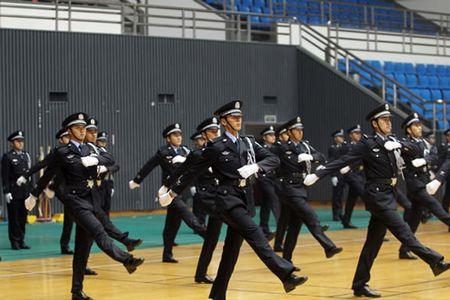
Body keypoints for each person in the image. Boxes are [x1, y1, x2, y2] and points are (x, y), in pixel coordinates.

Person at [159, 100, 308, 300]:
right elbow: (193, 171)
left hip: (243, 198)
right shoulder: (216, 146)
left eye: (239, 117)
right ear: (224, 121)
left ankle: (218, 294)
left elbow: (274, 159)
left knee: (231, 251)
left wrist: (256, 167)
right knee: (255, 232)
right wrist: (171, 192)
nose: (238, 120)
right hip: (226, 199)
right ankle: (285, 274)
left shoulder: (248, 142)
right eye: (234, 117)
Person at [304, 104, 450, 297]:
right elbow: (342, 160)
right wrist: (319, 174)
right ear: (374, 124)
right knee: (403, 231)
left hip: (390, 193)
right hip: (376, 195)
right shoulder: (367, 144)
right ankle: (435, 261)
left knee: (372, 244)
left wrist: (400, 145)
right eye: (384, 120)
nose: (389, 123)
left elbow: (416, 148)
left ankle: (359, 284)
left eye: (389, 119)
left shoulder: (393, 140)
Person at [24, 112, 144, 300]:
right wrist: (33, 194)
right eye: (78, 127)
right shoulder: (62, 152)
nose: (83, 130)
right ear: (69, 131)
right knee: (99, 231)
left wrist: (96, 160)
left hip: (92, 200)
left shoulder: (91, 148)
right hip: (75, 201)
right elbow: (48, 173)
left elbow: (111, 159)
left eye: (84, 127)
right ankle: (126, 259)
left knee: (82, 250)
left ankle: (76, 292)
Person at [129, 123, 207, 263]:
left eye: (180, 134)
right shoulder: (163, 152)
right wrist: (137, 180)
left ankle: (167, 254)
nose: (179, 137)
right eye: (175, 135)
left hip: (182, 191)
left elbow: (194, 169)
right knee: (186, 213)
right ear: (168, 138)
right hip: (170, 192)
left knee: (172, 223)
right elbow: (149, 166)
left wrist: (194, 186)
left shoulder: (186, 151)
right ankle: (205, 233)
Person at [272, 117, 342, 267]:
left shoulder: (305, 146)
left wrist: (311, 156)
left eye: (301, 129)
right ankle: (328, 246)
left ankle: (287, 261)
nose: (300, 132)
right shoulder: (283, 147)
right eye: (297, 130)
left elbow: (322, 157)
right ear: (290, 132)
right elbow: (276, 163)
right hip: (290, 189)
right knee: (310, 215)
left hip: (302, 188)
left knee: (294, 228)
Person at [397, 113, 450, 260]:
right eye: (415, 125)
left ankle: (404, 249)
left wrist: (424, 160)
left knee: (414, 219)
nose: (419, 127)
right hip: (414, 185)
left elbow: (434, 155)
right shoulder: (405, 143)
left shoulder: (423, 142)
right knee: (435, 206)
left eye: (419, 125)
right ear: (408, 129)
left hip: (423, 181)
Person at [2, 130, 32, 250]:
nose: (20, 143)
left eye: (21, 141)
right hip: (14, 192)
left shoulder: (26, 155)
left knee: (22, 218)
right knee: (13, 218)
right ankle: (14, 241)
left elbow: (29, 175)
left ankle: (21, 240)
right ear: (11, 143)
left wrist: (31, 191)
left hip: (25, 192)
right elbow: (4, 176)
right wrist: (6, 192)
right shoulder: (8, 157)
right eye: (17, 141)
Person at [257, 125, 281, 240]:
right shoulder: (261, 148)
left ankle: (263, 228)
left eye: (274, 135)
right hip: (264, 178)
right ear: (264, 137)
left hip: (274, 178)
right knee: (274, 199)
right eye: (270, 135)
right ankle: (281, 225)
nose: (273, 137)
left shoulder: (277, 148)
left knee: (266, 204)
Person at [340, 125, 365, 229]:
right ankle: (378, 225)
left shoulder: (362, 145)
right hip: (351, 175)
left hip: (360, 175)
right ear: (350, 135)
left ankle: (346, 220)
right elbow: (344, 160)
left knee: (351, 199)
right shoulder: (347, 147)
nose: (358, 135)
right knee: (367, 197)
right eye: (356, 133)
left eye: (359, 133)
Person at [328, 129, 347, 221]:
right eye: (340, 136)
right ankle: (335, 214)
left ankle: (340, 213)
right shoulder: (333, 148)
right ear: (335, 138)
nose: (342, 138)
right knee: (336, 195)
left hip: (343, 173)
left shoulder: (344, 147)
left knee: (341, 195)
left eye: (342, 136)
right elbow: (332, 163)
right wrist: (333, 175)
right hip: (337, 173)